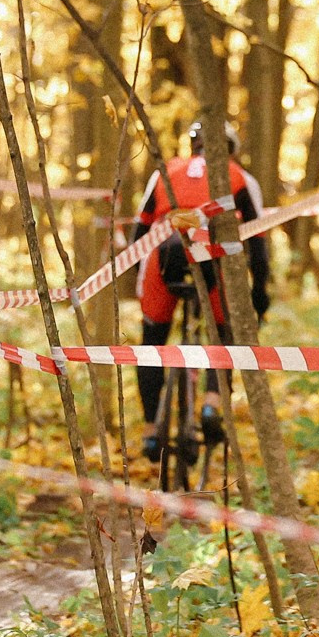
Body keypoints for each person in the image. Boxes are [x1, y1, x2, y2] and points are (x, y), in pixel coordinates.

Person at [132, 120, 270, 462]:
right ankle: (210, 404)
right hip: (211, 256)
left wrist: (142, 275)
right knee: (224, 332)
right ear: (230, 150)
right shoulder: (240, 176)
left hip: (162, 252)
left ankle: (151, 431)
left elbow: (139, 233)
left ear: (193, 146)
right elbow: (259, 241)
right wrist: (259, 293)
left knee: (152, 342)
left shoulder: (165, 171)